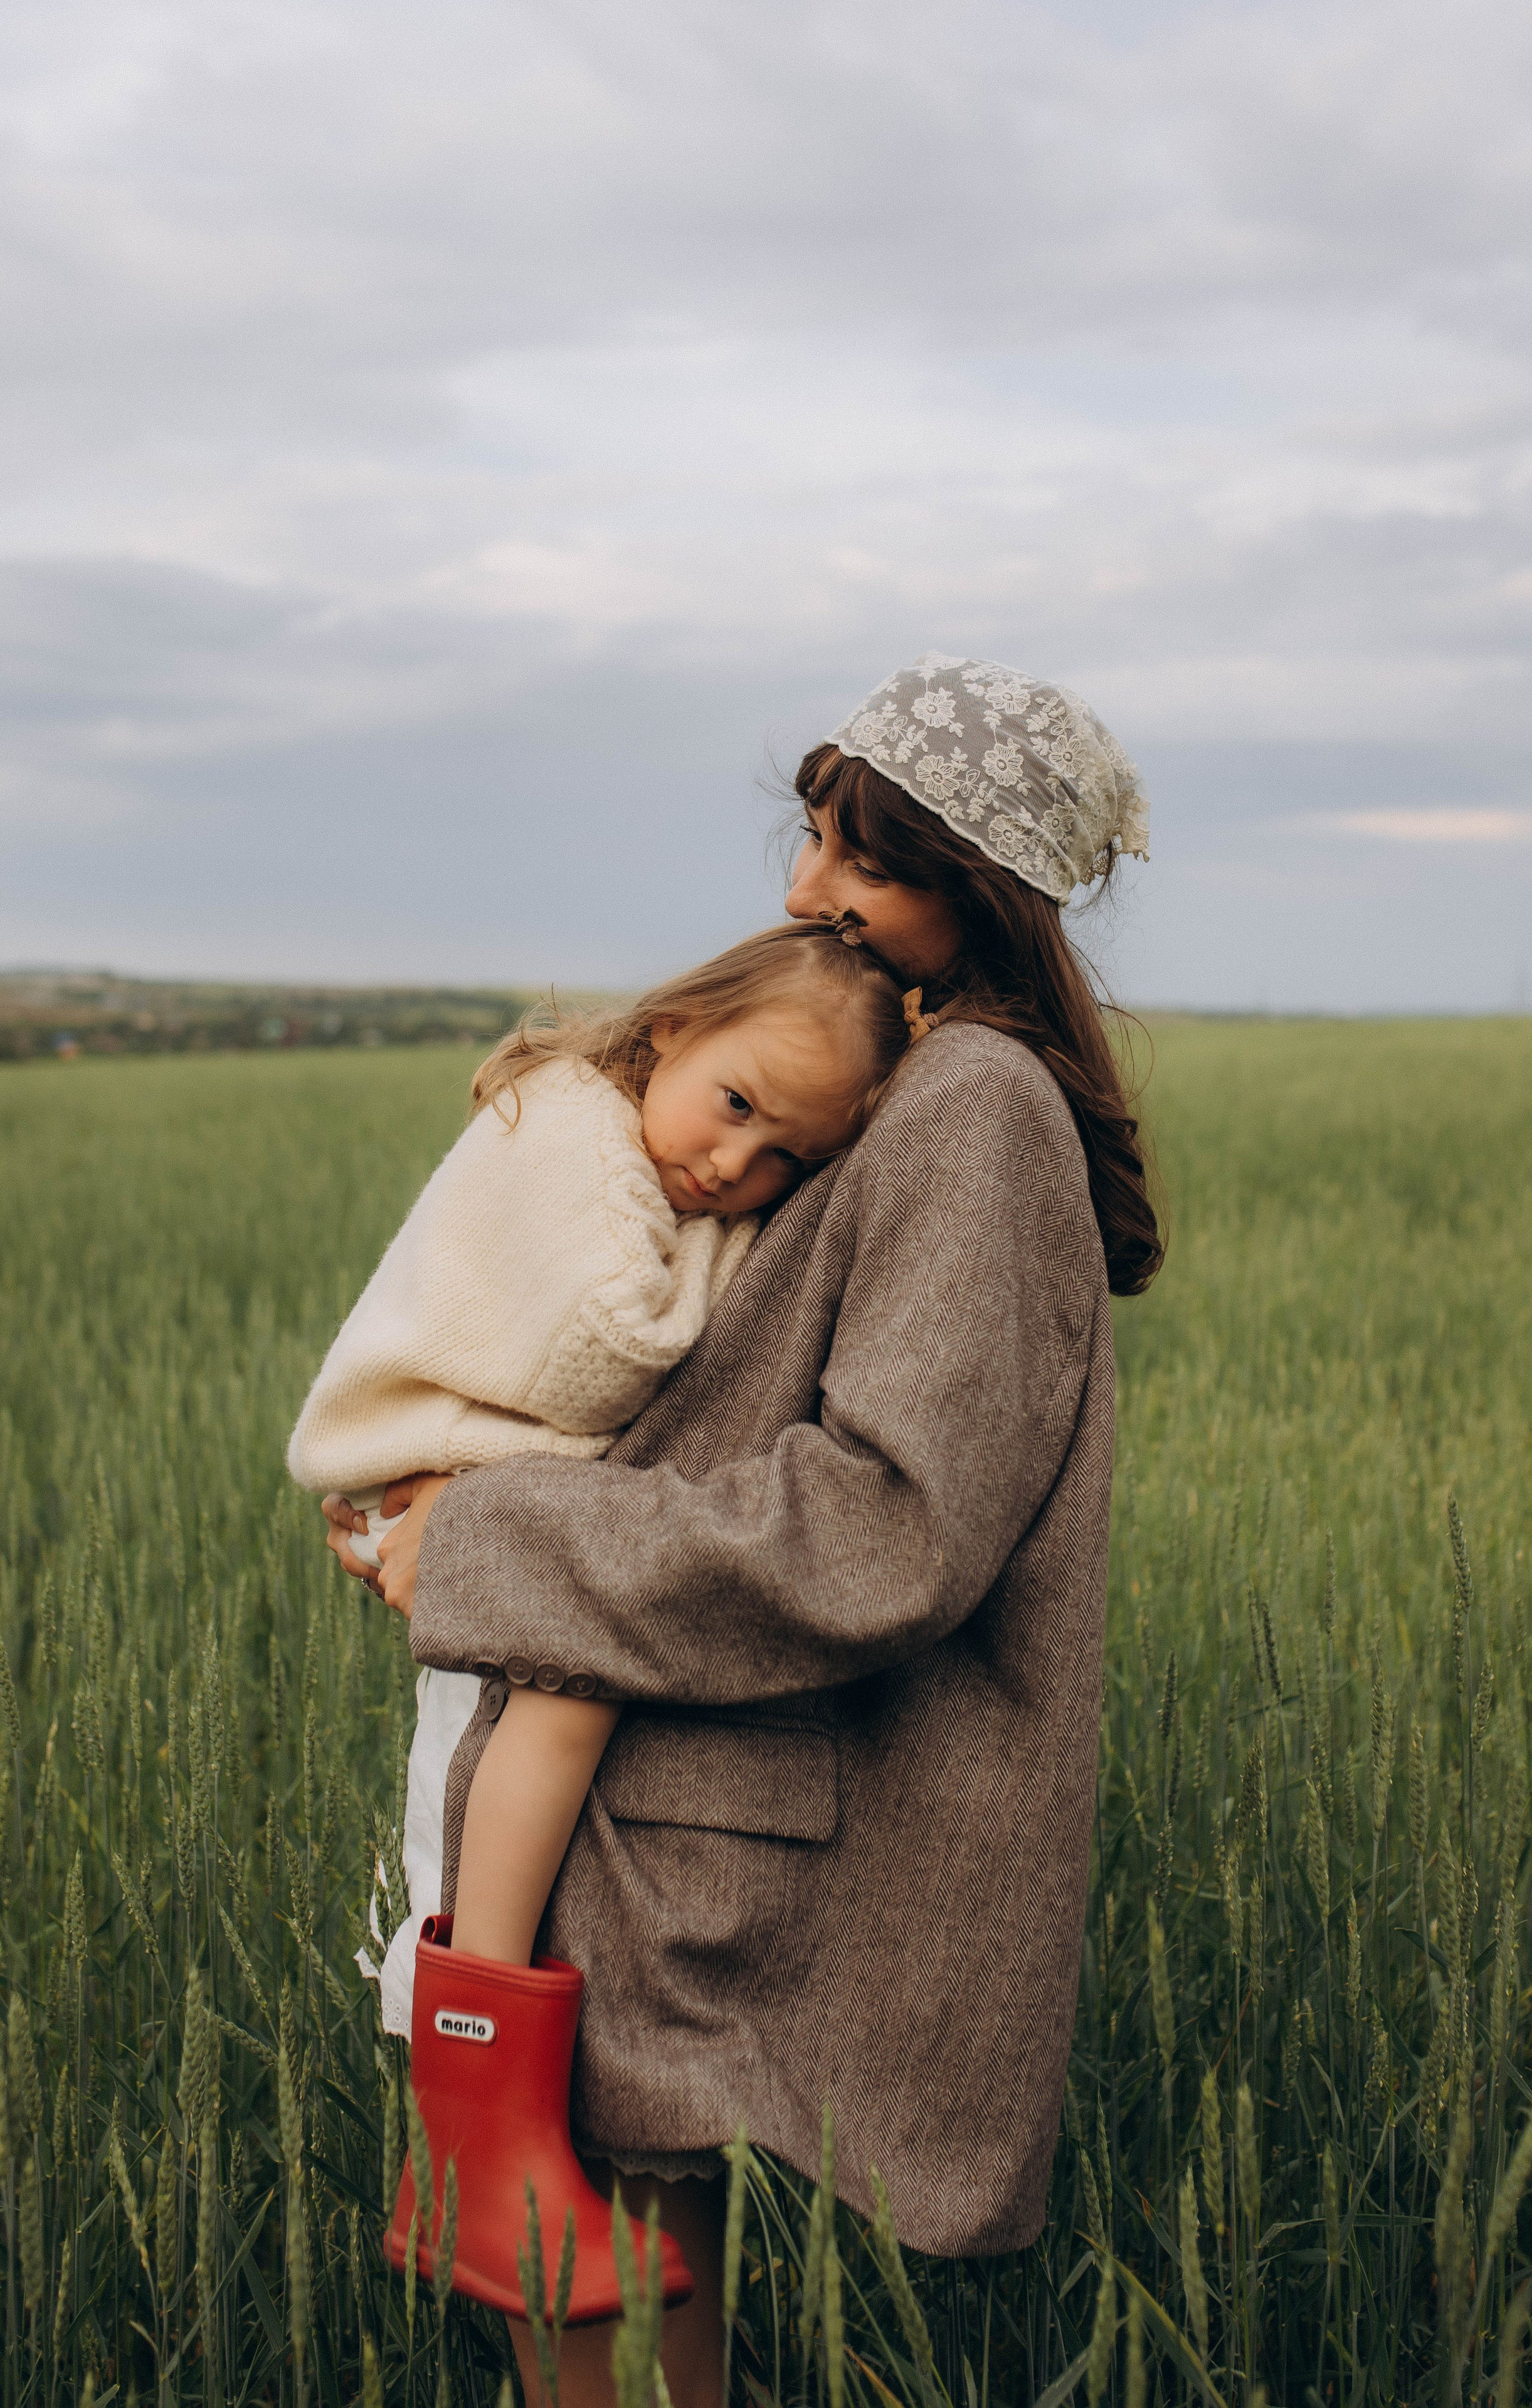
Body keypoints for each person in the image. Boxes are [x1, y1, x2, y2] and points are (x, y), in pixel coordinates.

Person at [327, 655, 1163, 2408]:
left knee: (606, 2343)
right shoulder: (914, 1072)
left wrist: (486, 1545)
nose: (803, 891)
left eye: (865, 859)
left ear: (983, 888)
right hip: (670, 1791)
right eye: (811, 835)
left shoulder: (975, 1106)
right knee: (621, 2328)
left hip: (697, 1828)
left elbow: (884, 1524)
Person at [292, 922, 912, 2321]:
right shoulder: (571, 1131)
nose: (732, 1168)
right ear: (673, 1027)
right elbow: (611, 1342)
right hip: (442, 1466)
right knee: (567, 1697)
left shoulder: (643, 1136)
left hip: (482, 1490)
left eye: (785, 1162)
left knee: (562, 1702)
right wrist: (753, 1270)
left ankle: (481, 2141)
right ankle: (475, 2111)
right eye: (735, 1105)